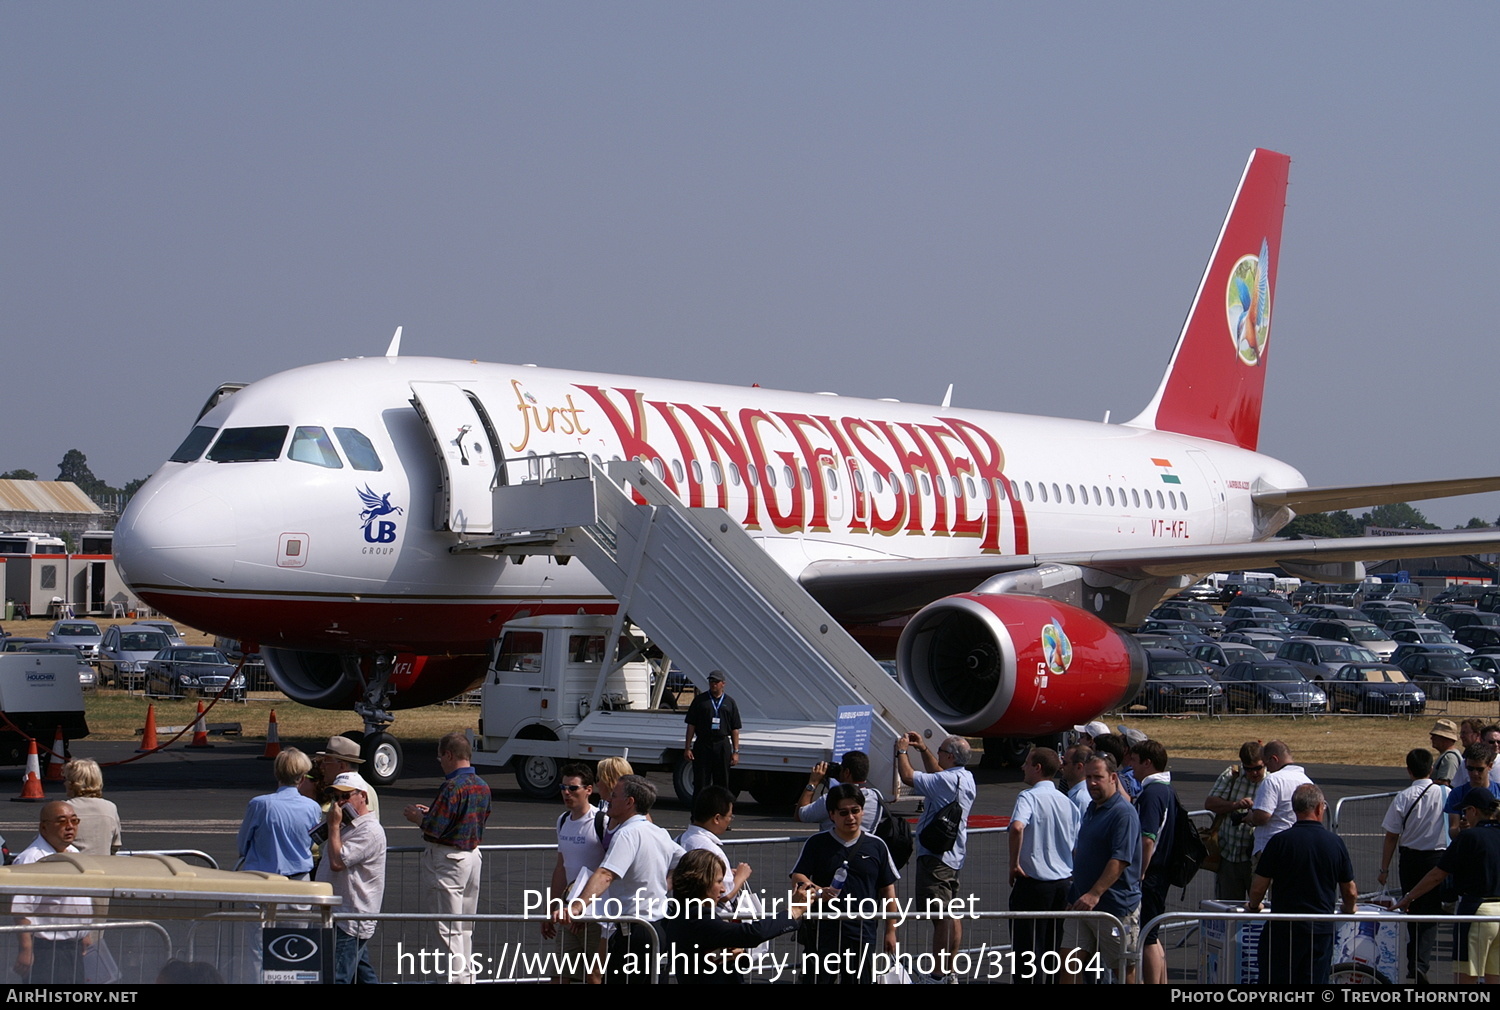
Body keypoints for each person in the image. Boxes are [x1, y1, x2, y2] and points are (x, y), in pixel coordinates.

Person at [563, 775, 685, 984]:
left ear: (630, 802)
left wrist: (576, 906)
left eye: (614, 795)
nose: (609, 799)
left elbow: (605, 874)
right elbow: (685, 861)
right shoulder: (659, 832)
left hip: (634, 933)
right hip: (657, 928)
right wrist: (666, 884)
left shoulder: (627, 834)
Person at [402, 731, 491, 983]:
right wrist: (435, 815)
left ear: (449, 755)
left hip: (449, 859)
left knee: (447, 927)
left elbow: (434, 828)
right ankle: (467, 977)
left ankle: (453, 979)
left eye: (441, 756)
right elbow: (478, 817)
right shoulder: (482, 785)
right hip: (472, 855)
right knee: (465, 926)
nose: (440, 761)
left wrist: (418, 818)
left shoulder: (452, 786)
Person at [1245, 784, 1356, 985]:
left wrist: (1253, 906)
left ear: (1295, 809)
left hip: (1283, 930)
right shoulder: (1335, 842)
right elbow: (1349, 891)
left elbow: (1258, 887)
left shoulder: (1279, 841)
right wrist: (1349, 909)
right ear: (1319, 808)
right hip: (1320, 931)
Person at [789, 783, 899, 983]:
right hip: (823, 932)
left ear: (862, 811)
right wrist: (818, 891)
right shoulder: (817, 843)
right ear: (832, 815)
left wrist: (891, 930)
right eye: (843, 812)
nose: (850, 818)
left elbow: (888, 890)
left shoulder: (877, 846)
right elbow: (798, 877)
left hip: (862, 932)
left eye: (855, 811)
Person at [1396, 790, 1500, 984]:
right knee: (1495, 976)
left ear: (1473, 811)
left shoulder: (1469, 837)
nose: (1463, 816)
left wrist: (1409, 897)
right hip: (1499, 912)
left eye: (1465, 811)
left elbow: (1437, 875)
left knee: (1465, 979)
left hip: (1477, 911)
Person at [659, 848, 805, 984]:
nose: (723, 889)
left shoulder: (684, 914)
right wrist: (792, 912)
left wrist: (735, 952)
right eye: (718, 881)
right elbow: (752, 933)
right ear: (700, 881)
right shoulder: (696, 917)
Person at [898, 731, 976, 980]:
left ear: (951, 756)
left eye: (941, 750)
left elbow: (908, 777)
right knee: (951, 912)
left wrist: (902, 751)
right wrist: (922, 749)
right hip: (954, 855)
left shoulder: (944, 782)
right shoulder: (966, 777)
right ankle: (949, 968)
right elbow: (938, 772)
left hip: (936, 857)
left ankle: (938, 973)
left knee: (939, 915)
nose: (938, 754)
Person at [1067, 754, 1141, 984]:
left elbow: (1119, 860)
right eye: (1088, 777)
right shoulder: (1092, 807)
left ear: (1112, 777)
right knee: (1069, 962)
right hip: (1080, 903)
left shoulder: (1123, 813)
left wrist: (1094, 894)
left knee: (1123, 968)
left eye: (1098, 777)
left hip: (1114, 907)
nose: (1092, 783)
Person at [1007, 746, 1079, 982]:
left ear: (1037, 768)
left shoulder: (1028, 797)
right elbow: (1077, 846)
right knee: (1053, 951)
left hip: (1034, 884)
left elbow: (1017, 826)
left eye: (1026, 763)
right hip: (1063, 884)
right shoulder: (1068, 802)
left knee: (1028, 953)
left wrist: (1014, 863)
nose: (1022, 767)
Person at [1378, 748, 1446, 984]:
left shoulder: (1404, 797)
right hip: (1437, 859)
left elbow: (1391, 835)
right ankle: (1420, 962)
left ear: (1409, 771)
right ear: (1431, 769)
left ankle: (1413, 961)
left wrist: (1384, 868)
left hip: (1410, 859)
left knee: (1411, 906)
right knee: (1430, 912)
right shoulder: (1445, 793)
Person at [314, 771, 386, 984]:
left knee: (336, 977)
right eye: (335, 797)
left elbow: (338, 862)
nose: (339, 803)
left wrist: (334, 826)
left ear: (362, 796)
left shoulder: (370, 831)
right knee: (362, 976)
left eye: (345, 796)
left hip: (350, 916)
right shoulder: (348, 825)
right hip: (339, 913)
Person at [12, 801, 92, 984]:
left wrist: (85, 933)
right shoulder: (31, 859)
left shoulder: (74, 854)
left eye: (74, 821)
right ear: (44, 827)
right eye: (62, 821)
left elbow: (80, 898)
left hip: (73, 946)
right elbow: (21, 908)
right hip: (46, 950)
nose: (70, 827)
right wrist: (26, 948)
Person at [542, 762, 605, 983]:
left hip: (596, 914)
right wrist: (551, 909)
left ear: (588, 790)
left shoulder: (601, 822)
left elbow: (608, 872)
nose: (566, 793)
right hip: (568, 911)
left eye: (573, 788)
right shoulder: (562, 821)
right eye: (563, 787)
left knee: (593, 976)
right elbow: (561, 867)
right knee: (559, 975)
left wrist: (585, 908)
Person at [1127, 739, 1177, 986]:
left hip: (1152, 874)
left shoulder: (1153, 793)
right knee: (1152, 935)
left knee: (1146, 936)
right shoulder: (1165, 790)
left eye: (1135, 761)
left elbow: (1148, 839)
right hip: (1161, 871)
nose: (1131, 767)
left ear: (1148, 763)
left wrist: (1140, 872)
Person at [238, 748, 321, 876]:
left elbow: (243, 843)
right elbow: (310, 843)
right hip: (300, 876)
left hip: (263, 876)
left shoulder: (260, 804)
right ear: (303, 778)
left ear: (277, 773)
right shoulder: (313, 807)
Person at [1203, 741, 1265, 900]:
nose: (1254, 773)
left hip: (1256, 858)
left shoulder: (1272, 781)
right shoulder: (1232, 775)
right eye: (1249, 769)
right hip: (1229, 854)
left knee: (1258, 909)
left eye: (1258, 768)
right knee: (1228, 908)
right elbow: (1210, 803)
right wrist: (1235, 805)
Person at [678, 784, 752, 908]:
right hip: (713, 916)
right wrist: (741, 876)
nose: (730, 820)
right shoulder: (712, 851)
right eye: (730, 816)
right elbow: (726, 894)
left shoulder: (679, 840)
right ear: (717, 818)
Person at [1249, 740, 1312, 861]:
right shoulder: (1307, 781)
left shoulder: (1272, 780)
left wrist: (1251, 817)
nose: (1268, 770)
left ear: (1274, 759)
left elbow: (1262, 816)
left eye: (1267, 765)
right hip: (1299, 848)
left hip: (1272, 849)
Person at [683, 671, 741, 793]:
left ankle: (722, 810)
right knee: (701, 781)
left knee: (722, 782)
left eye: (716, 682)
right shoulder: (700, 701)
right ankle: (698, 811)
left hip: (722, 743)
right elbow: (691, 725)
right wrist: (687, 747)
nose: (713, 684)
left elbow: (735, 729)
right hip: (704, 743)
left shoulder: (730, 702)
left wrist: (736, 751)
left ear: (723, 684)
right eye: (711, 681)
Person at [795, 750, 879, 832]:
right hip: (863, 844)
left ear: (846, 772)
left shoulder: (832, 798)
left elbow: (801, 815)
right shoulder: (876, 796)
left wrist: (813, 783)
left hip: (835, 845)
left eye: (841, 769)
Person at [62, 759, 122, 855]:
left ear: (72, 783)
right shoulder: (110, 807)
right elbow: (115, 844)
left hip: (72, 865)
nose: (64, 783)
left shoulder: (63, 808)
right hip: (102, 865)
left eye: (66, 779)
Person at [314, 736, 381, 817]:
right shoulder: (364, 787)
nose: (322, 766)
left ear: (342, 766)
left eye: (326, 761)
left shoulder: (357, 789)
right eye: (336, 797)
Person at [1445, 743, 1500, 839]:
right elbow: (1452, 831)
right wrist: (1460, 829)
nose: (1474, 773)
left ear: (1490, 766)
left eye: (1480, 769)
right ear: (1465, 765)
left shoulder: (1498, 790)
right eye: (1470, 768)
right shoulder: (1457, 793)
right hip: (1469, 848)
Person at [1063, 744, 1093, 818]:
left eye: (1065, 763)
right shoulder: (1079, 796)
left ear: (1079, 767)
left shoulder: (1081, 800)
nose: (1061, 766)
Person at [1431, 719, 1463, 786]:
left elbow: (1446, 785)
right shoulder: (1448, 755)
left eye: (1435, 736)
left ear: (1445, 738)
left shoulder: (1449, 758)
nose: (1431, 738)